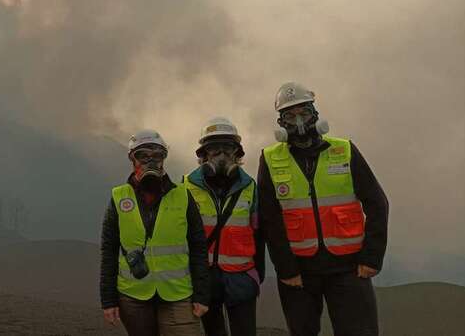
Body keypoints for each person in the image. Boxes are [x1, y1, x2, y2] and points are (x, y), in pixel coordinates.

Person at [259, 82, 389, 336]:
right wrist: (286, 269)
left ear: (315, 115)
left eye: (304, 113)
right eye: (289, 115)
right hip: (299, 273)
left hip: (349, 268)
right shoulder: (270, 159)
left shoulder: (344, 150)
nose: (298, 121)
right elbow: (269, 219)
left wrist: (371, 257)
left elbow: (377, 203)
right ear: (281, 122)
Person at [100, 129, 209, 336]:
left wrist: (202, 295)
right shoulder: (118, 197)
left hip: (177, 294)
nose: (151, 161)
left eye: (157, 155)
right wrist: (108, 300)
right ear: (132, 159)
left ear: (164, 159)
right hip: (133, 296)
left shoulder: (183, 196)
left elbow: (198, 247)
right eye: (143, 156)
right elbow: (109, 250)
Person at [182, 117, 264, 336]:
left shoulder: (250, 187)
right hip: (203, 280)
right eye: (213, 148)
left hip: (242, 280)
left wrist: (256, 277)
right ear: (203, 154)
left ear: (237, 153)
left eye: (227, 148)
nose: (221, 155)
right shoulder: (186, 186)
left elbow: (259, 234)